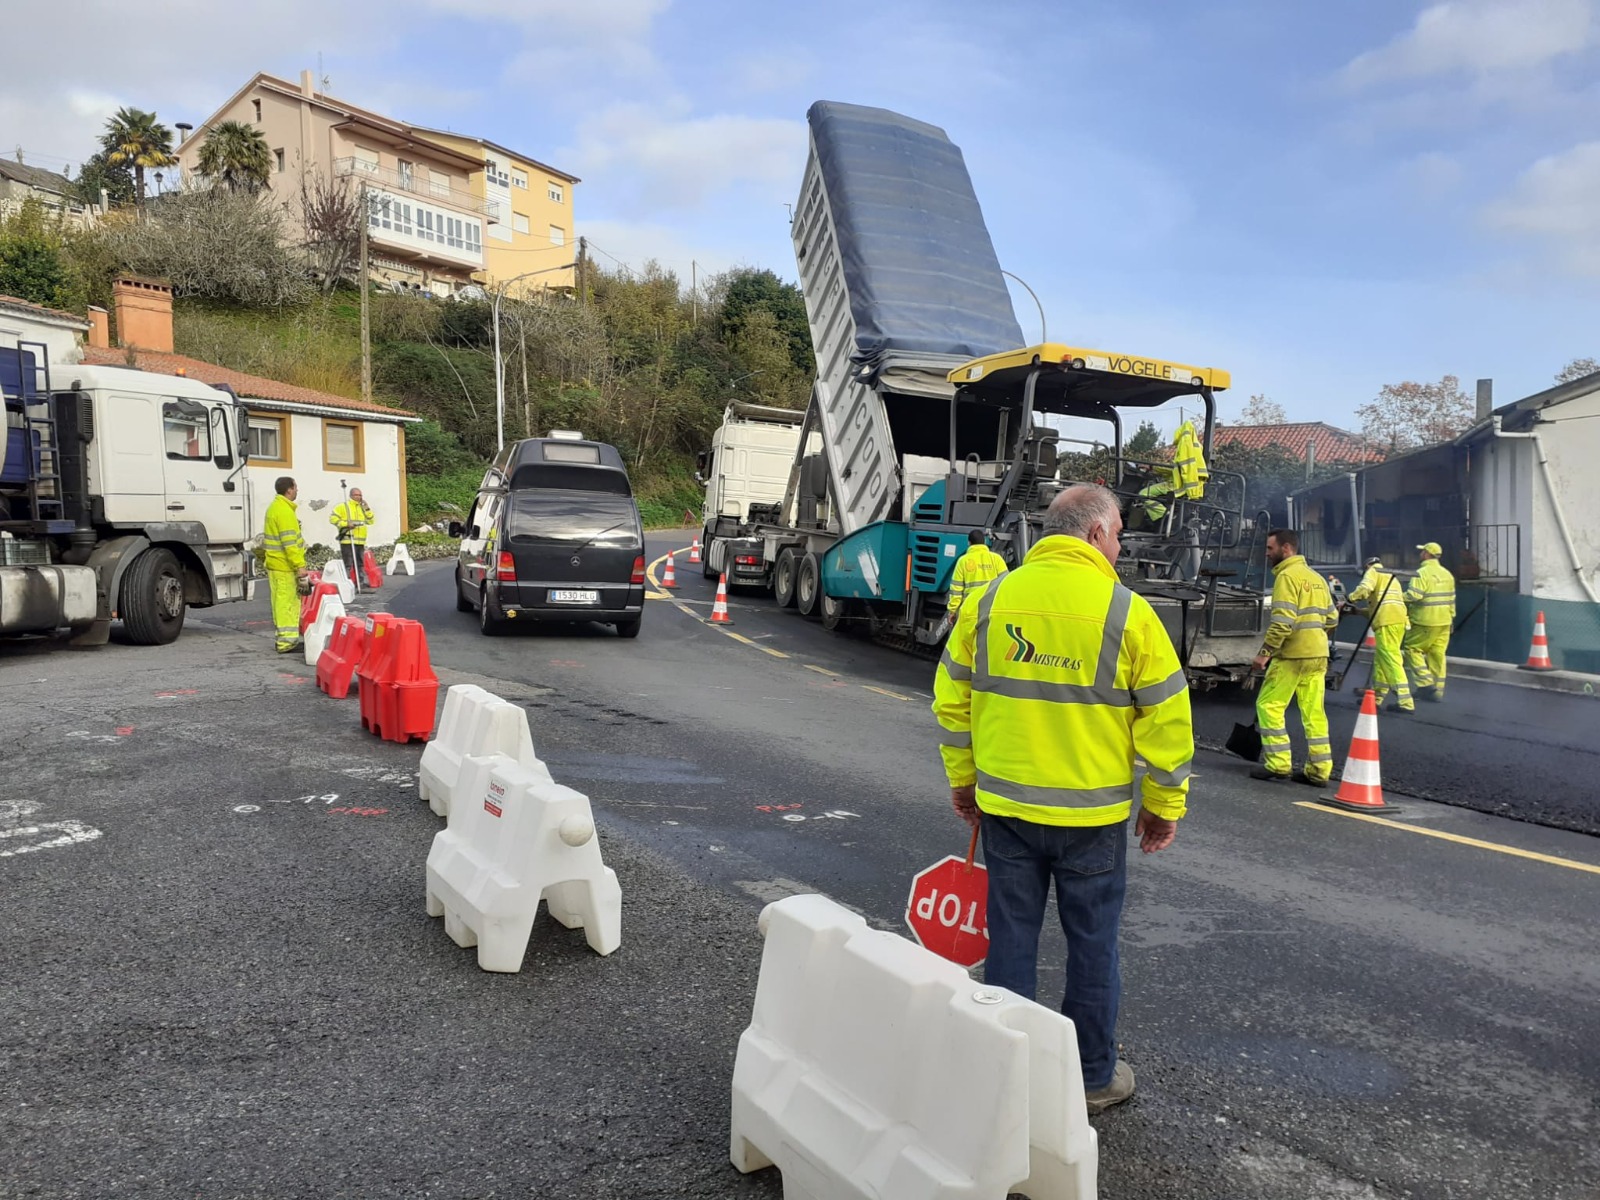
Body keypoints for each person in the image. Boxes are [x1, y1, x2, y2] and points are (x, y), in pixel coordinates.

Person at [933, 484, 1193, 1115]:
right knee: (1093, 944)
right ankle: (1091, 1076)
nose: (1122, 543)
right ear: (1096, 533)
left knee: (1012, 939)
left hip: (1008, 810)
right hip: (1091, 820)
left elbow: (951, 701)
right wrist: (1163, 806)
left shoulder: (992, 600)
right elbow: (1167, 723)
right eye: (1120, 531)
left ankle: (1006, 1068)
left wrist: (964, 782)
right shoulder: (1127, 612)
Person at [1250, 529, 1339, 784]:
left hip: (1291, 657)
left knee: (1269, 706)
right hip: (1318, 655)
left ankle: (1278, 764)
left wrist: (1264, 654)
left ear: (1286, 548)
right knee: (1314, 713)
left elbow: (1282, 623)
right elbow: (1332, 618)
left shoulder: (1286, 577)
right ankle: (1319, 771)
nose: (1267, 554)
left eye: (1270, 549)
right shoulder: (1317, 578)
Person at [1347, 555, 1412, 712]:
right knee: (1382, 659)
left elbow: (1364, 589)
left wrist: (1350, 598)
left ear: (1368, 565)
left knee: (1390, 658)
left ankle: (1405, 701)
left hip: (1386, 621)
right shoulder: (1390, 576)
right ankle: (1377, 698)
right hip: (1398, 620)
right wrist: (1358, 611)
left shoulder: (1373, 571)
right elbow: (1380, 605)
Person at [262, 477, 309, 654]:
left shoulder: (275, 508)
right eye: (296, 487)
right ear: (289, 490)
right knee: (287, 603)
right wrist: (300, 566)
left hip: (276, 564)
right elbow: (289, 544)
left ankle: (283, 639)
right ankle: (287, 642)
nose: (297, 490)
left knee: (280, 602)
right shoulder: (284, 511)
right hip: (284, 566)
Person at [1404, 541, 1456, 702]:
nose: (1420, 554)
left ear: (1427, 554)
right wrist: (1451, 618)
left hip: (1425, 620)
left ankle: (1425, 684)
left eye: (1422, 552)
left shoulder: (1421, 573)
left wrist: (1397, 597)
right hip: (1444, 621)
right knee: (1437, 655)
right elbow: (1451, 599)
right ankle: (1437, 692)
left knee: (1412, 649)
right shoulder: (1447, 574)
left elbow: (1414, 596)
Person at [947, 529, 1008, 620]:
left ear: (969, 543)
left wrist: (953, 610)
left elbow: (956, 589)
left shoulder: (963, 561)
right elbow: (1006, 583)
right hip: (991, 609)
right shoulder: (996, 559)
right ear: (984, 542)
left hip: (970, 611)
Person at [329, 488, 376, 580]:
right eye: (356, 495)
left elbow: (371, 521)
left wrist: (367, 509)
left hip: (359, 541)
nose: (359, 497)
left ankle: (360, 582)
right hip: (347, 539)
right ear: (351, 495)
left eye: (360, 495)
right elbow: (333, 519)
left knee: (360, 563)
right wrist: (346, 524)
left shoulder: (363, 508)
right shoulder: (343, 506)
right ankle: (347, 582)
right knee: (348, 563)